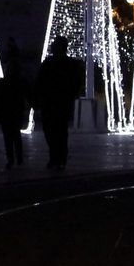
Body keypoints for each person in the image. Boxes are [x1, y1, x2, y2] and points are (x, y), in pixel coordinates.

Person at [35, 36, 83, 168]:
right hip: (53, 102)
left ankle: (59, 158)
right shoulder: (50, 62)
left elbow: (75, 82)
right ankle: (56, 157)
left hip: (59, 102)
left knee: (58, 131)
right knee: (53, 130)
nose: (52, 46)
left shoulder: (67, 64)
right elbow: (40, 81)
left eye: (55, 44)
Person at [0, 59, 31, 168]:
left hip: (7, 111)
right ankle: (17, 157)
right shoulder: (21, 81)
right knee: (15, 135)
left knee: (9, 136)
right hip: (15, 111)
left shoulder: (5, 82)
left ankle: (12, 158)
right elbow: (29, 94)